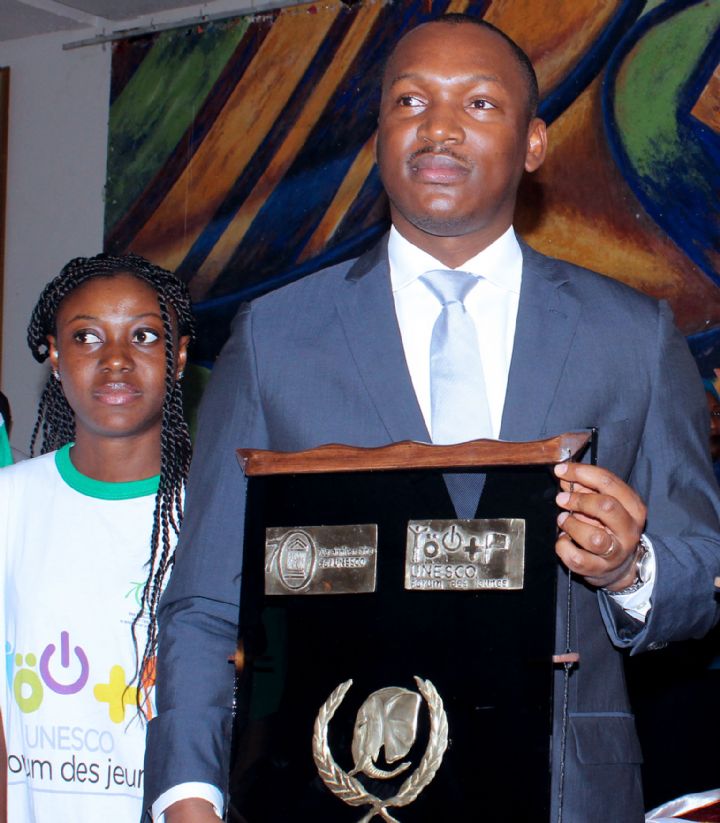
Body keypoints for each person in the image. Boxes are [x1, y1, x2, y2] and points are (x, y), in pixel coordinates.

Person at [143, 16, 720, 822]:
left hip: (567, 795)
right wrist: (187, 794)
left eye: (480, 104)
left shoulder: (630, 335)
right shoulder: (275, 337)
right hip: (321, 786)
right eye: (410, 101)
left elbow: (702, 573)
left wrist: (632, 570)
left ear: (534, 144)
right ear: (379, 134)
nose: (439, 127)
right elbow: (205, 601)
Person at [0, 253, 194, 822]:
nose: (115, 360)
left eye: (143, 335)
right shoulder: (8, 503)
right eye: (86, 337)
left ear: (178, 357)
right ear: (55, 358)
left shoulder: (218, 510)